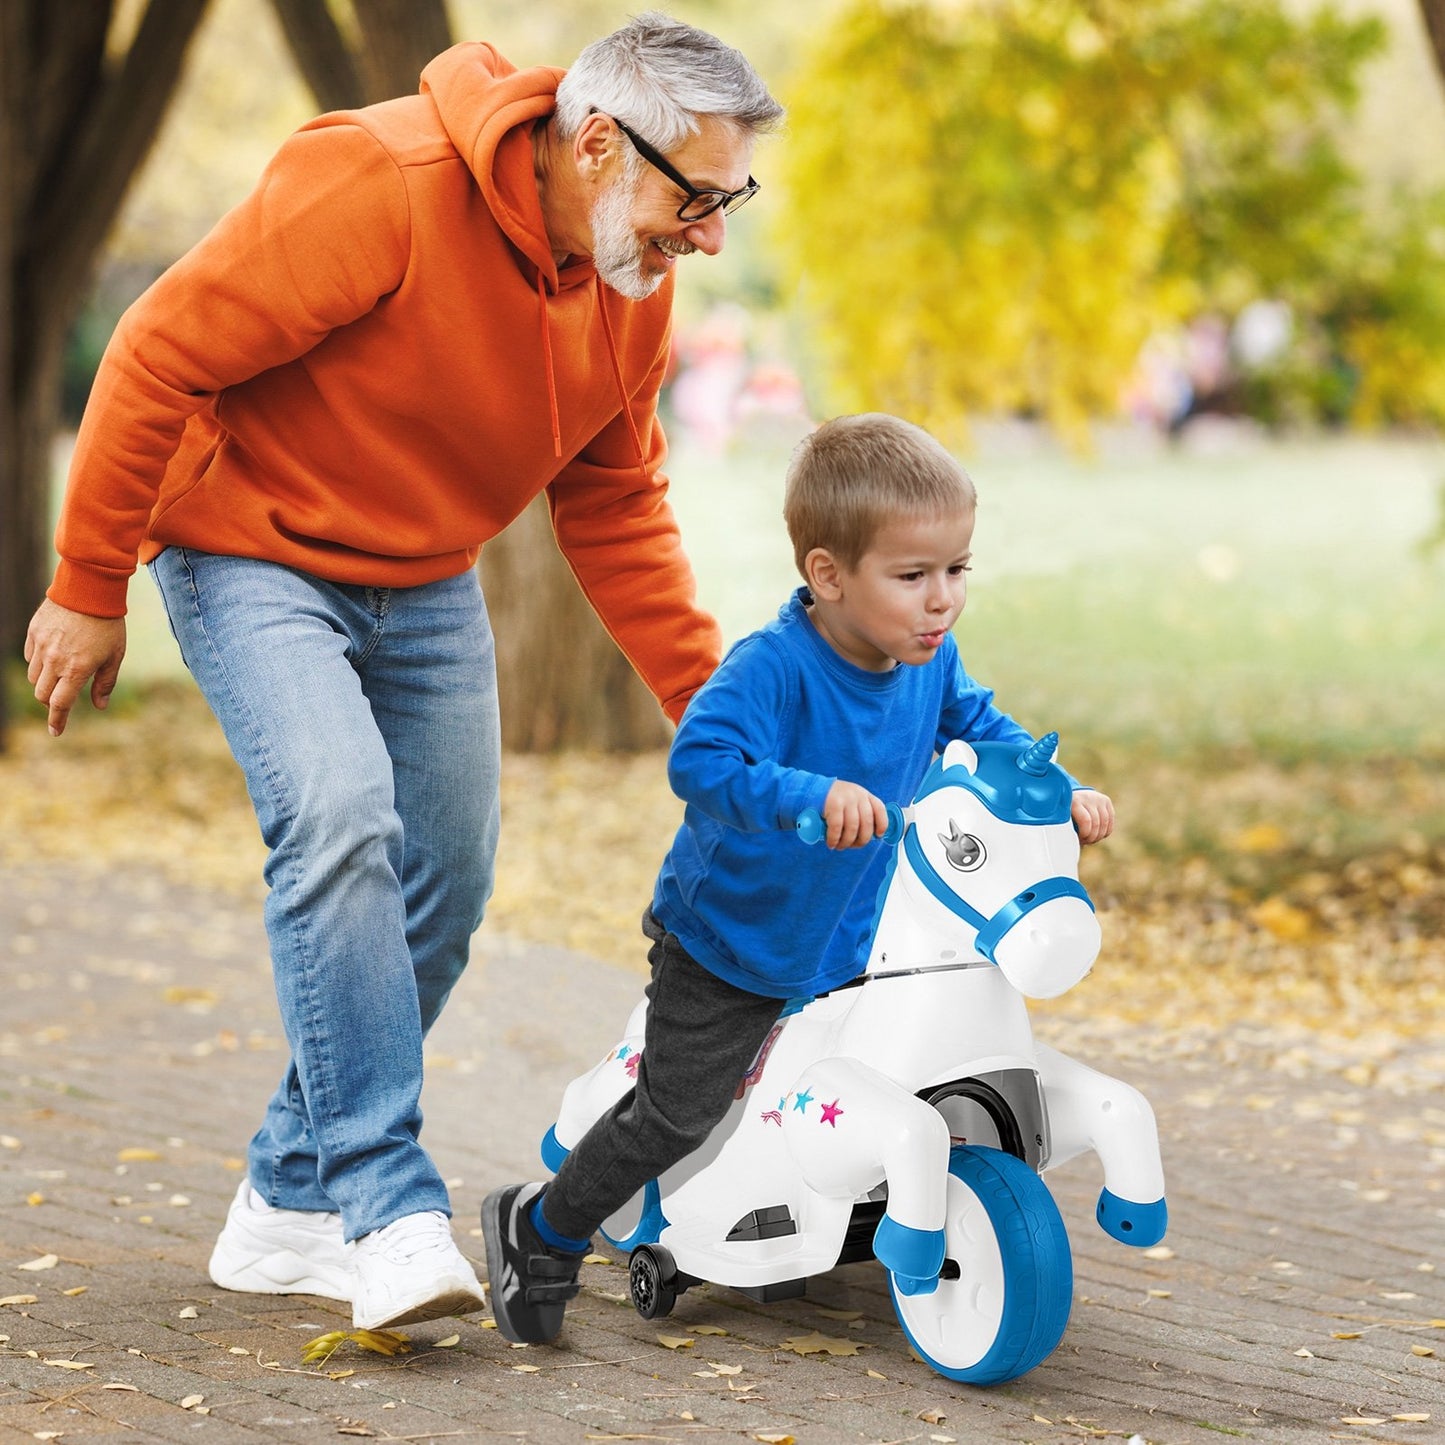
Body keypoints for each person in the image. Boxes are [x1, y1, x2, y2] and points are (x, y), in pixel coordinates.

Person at [22, 14, 782, 1331]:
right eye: (695, 196)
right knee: (337, 818)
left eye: (729, 201)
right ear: (597, 141)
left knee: (448, 875)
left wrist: (714, 708)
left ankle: (281, 1202)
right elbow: (157, 350)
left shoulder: (624, 286)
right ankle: (383, 1207)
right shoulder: (379, 186)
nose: (708, 235)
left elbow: (612, 502)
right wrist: (89, 585)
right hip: (248, 547)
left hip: (424, 576)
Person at [481, 412, 1116, 1344]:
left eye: (956, 570)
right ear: (827, 575)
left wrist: (1059, 796)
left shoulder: (925, 667)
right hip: (735, 942)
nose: (942, 600)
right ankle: (541, 1229)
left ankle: (832, 1208)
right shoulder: (772, 670)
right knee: (677, 1112)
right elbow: (700, 759)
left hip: (855, 944)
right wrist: (806, 796)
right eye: (912, 576)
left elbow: (990, 736)